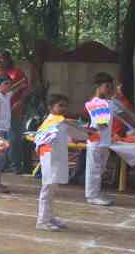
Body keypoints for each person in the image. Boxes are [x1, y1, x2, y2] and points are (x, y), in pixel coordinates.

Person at [84, 72, 135, 206]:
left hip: (105, 141)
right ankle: (92, 196)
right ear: (98, 87)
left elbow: (124, 115)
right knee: (94, 170)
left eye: (111, 86)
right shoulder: (94, 102)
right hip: (96, 141)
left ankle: (95, 192)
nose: (110, 89)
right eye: (106, 86)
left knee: (100, 169)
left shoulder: (109, 102)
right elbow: (101, 123)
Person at [35, 94, 93, 231]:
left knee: (51, 190)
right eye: (60, 105)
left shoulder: (62, 122)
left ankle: (49, 217)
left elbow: (76, 134)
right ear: (51, 107)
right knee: (47, 189)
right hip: (50, 159)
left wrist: (88, 134)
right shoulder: (50, 122)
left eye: (65, 106)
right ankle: (42, 221)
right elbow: (40, 141)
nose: (63, 108)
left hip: (58, 158)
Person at [0, 51, 31, 174]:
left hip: (15, 112)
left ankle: (15, 165)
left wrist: (20, 102)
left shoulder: (17, 72)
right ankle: (1, 166)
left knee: (14, 139)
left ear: (8, 59)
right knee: (0, 143)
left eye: (2, 58)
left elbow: (24, 88)